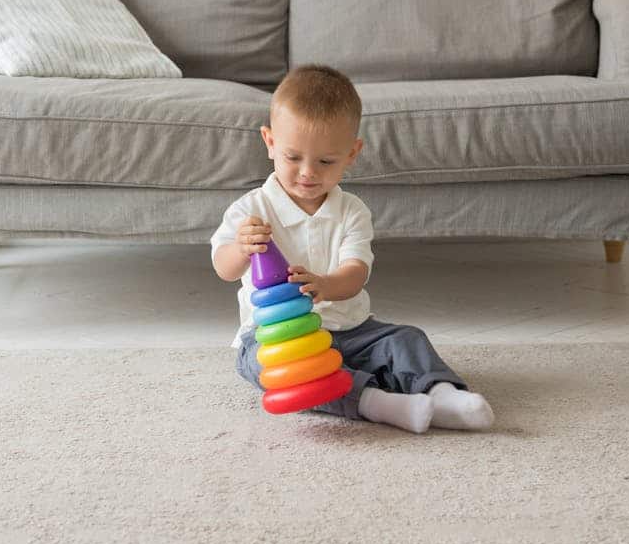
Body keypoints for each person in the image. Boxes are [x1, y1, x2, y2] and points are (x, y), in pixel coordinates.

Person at [210, 64, 494, 433]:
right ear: (270, 143)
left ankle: (441, 393)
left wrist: (326, 286)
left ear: (352, 153)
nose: (308, 172)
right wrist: (241, 249)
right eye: (293, 157)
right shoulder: (251, 209)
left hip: (350, 328)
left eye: (326, 161)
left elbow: (356, 272)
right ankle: (376, 404)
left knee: (406, 339)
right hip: (277, 339)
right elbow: (223, 267)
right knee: (274, 373)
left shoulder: (352, 211)